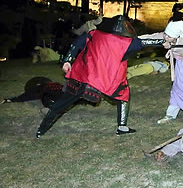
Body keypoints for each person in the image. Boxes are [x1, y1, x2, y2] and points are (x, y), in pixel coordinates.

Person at [35, 15, 165, 138]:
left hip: (82, 75)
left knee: (62, 103)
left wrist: (67, 60)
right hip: (104, 80)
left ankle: (41, 130)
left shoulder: (93, 34)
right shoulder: (127, 42)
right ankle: (122, 127)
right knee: (123, 96)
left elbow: (76, 44)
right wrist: (164, 42)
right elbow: (145, 42)